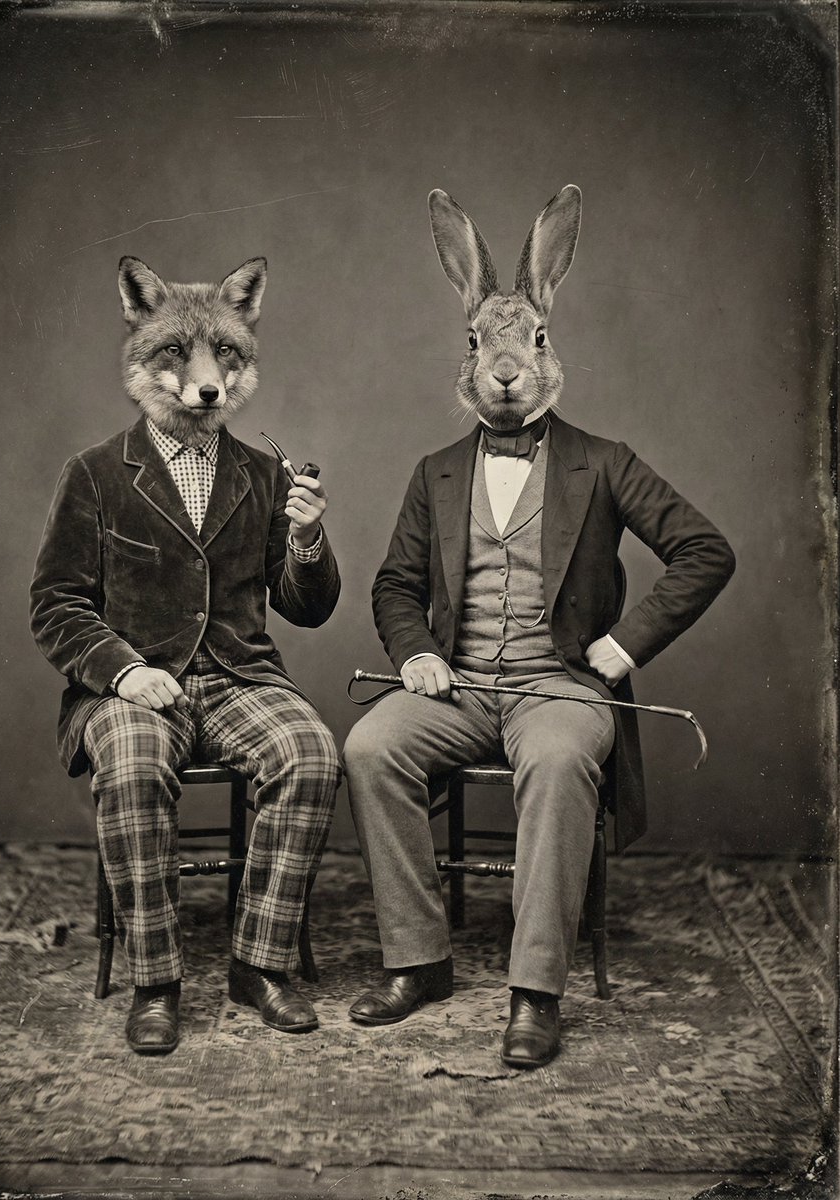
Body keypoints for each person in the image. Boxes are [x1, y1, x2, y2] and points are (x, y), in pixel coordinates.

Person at [343, 186, 735, 1068]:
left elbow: (704, 551)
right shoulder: (436, 472)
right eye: (485, 346)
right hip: (460, 686)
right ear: (469, 351)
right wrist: (414, 653)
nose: (505, 367)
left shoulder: (603, 462)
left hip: (561, 687)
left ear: (547, 347)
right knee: (369, 747)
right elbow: (395, 585)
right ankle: (418, 960)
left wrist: (623, 645)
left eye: (527, 343)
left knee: (558, 762)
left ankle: (533, 993)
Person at [31, 253, 341, 1054]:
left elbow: (307, 608)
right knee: (133, 764)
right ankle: (156, 983)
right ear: (143, 345)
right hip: (132, 684)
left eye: (224, 354)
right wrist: (125, 671)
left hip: (238, 676)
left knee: (310, 752)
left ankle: (259, 965)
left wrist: (307, 541)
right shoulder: (95, 474)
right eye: (177, 352)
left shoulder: (262, 475)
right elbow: (56, 604)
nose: (206, 378)